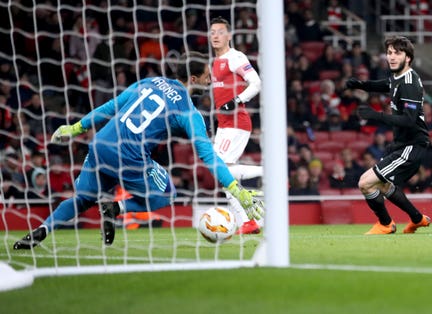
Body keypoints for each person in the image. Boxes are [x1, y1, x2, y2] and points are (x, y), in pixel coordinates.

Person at [14, 52, 263, 250]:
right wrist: (234, 188)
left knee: (82, 199)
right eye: (207, 76)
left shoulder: (149, 81)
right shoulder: (189, 111)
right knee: (168, 194)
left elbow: (112, 106)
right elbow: (207, 155)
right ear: (194, 80)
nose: (211, 81)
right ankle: (117, 209)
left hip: (101, 145)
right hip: (130, 156)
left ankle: (41, 231)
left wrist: (76, 128)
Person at [345, 36, 431, 234]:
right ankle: (417, 219)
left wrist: (376, 115)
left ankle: (385, 224)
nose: (392, 57)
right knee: (383, 185)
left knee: (366, 183)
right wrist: (362, 84)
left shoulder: (409, 82)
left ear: (408, 57)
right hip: (403, 144)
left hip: (412, 146)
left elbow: (409, 120)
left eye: (397, 53)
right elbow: (387, 84)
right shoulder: (398, 76)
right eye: (389, 53)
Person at [209, 17, 264, 235]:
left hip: (237, 122)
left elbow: (256, 82)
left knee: (221, 170)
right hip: (224, 124)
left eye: (220, 32)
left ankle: (273, 174)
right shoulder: (214, 62)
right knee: (224, 175)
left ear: (229, 35)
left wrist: (237, 100)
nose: (215, 36)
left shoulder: (235, 57)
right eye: (212, 32)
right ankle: (248, 222)